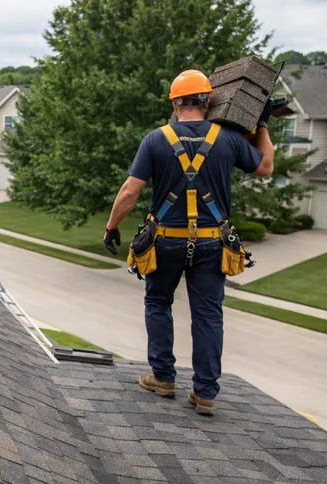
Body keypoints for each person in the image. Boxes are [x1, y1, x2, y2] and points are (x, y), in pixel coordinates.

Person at [102, 69, 274, 415]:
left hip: (165, 241)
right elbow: (266, 167)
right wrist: (262, 124)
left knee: (158, 303)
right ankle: (205, 393)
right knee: (208, 315)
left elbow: (131, 191)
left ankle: (163, 378)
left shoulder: (155, 139)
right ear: (208, 101)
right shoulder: (228, 139)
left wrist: (112, 226)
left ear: (175, 103)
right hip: (213, 243)